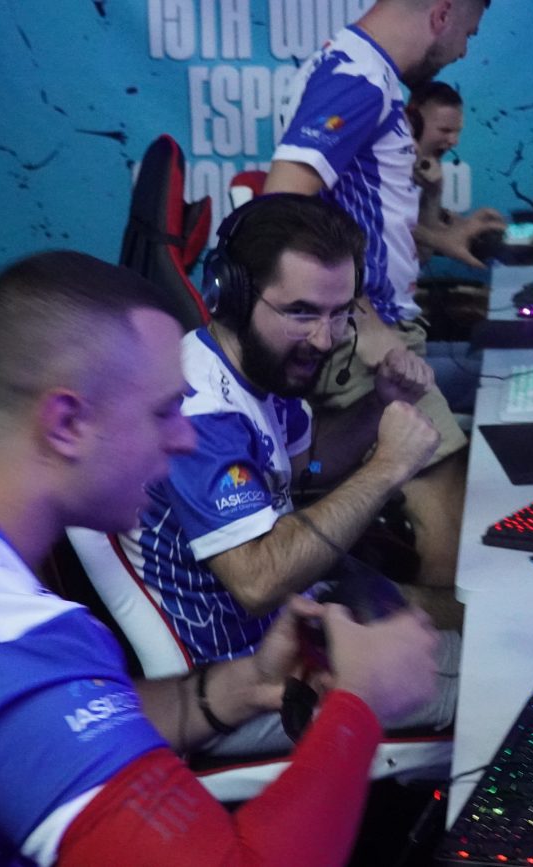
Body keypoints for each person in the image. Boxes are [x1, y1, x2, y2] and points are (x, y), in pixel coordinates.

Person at [0, 250, 442, 866]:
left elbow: (19, 737)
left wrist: (240, 685)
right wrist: (359, 706)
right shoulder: (2, 639)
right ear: (66, 423)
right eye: (164, 412)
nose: (185, 439)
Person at [126, 194, 458, 755]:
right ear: (230, 296)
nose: (326, 340)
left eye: (339, 312)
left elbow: (307, 468)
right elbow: (257, 582)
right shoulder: (201, 414)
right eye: (302, 313)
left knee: (475, 618)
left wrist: (380, 403)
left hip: (304, 629)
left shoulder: (261, 370)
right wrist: (388, 467)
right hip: (244, 686)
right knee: (493, 682)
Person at [266, 0, 492, 590]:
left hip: (375, 328)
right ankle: (421, 646)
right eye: (468, 33)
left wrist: (440, 237)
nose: (464, 50)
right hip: (364, 341)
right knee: (448, 530)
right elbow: (281, 208)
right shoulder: (359, 78)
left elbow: (354, 211)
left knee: (447, 511)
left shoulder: (362, 71)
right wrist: (362, 320)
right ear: (442, 14)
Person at [407, 81, 506, 269]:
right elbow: (420, 255)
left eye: (457, 131)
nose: (454, 141)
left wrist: (459, 224)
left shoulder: (423, 168)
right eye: (445, 130)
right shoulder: (380, 170)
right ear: (412, 123)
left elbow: (422, 228)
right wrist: (441, 240)